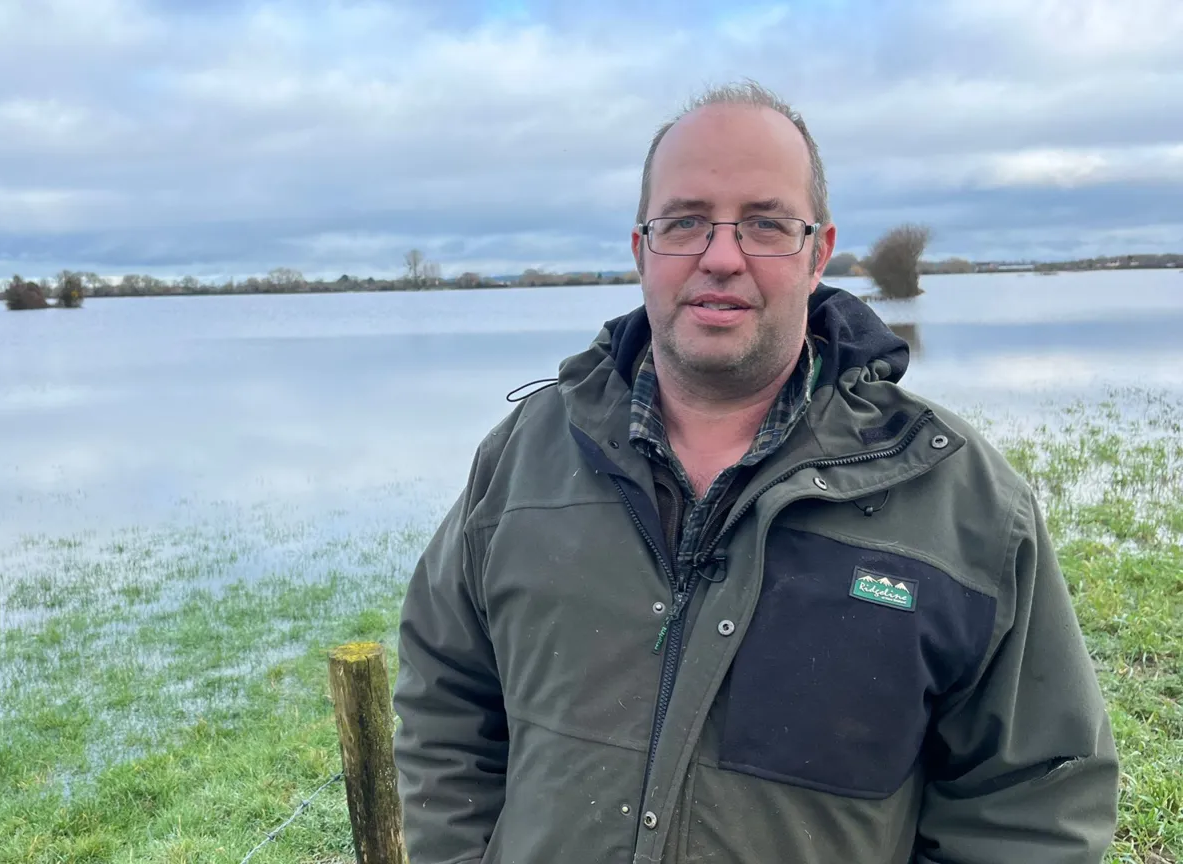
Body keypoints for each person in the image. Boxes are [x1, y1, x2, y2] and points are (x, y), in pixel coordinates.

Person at [391, 80, 1119, 864]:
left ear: (818, 253)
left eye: (766, 224)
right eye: (686, 222)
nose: (722, 256)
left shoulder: (960, 502)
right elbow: (446, 702)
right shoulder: (521, 461)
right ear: (642, 250)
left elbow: (1033, 803)